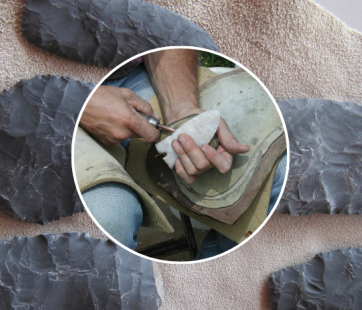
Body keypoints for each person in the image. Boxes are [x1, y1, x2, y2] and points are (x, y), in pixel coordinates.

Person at [79, 49, 286, 259]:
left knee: (283, 171)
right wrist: (82, 104)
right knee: (109, 220)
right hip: (56, 105)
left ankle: (208, 282)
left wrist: (182, 109)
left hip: (131, 75)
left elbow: (162, 32)